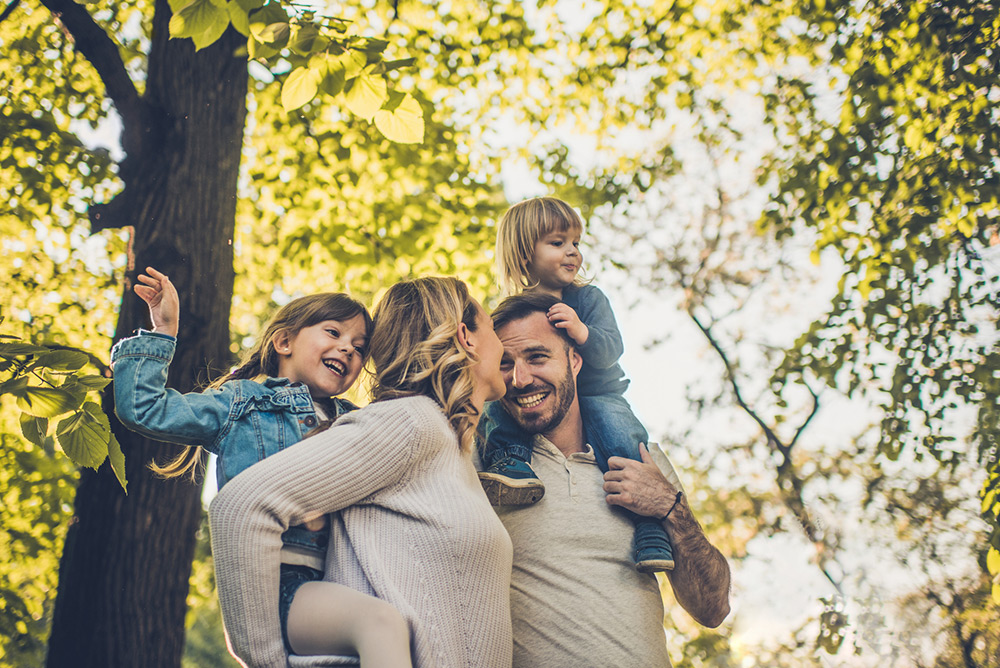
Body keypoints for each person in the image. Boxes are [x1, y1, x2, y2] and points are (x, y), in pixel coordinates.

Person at [111, 267, 415, 667]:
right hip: (279, 585)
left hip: (344, 577)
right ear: (284, 341)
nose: (347, 350)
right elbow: (145, 408)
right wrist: (164, 331)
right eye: (334, 333)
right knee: (380, 624)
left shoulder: (355, 420)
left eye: (359, 348)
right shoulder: (241, 403)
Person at [208, 277, 514, 668]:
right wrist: (267, 660)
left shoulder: (450, 446)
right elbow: (240, 506)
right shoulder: (410, 423)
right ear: (465, 336)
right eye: (492, 328)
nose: (503, 347)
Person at [486, 291, 731, 667]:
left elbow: (712, 607)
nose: (520, 379)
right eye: (505, 363)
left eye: (537, 357)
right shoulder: (484, 464)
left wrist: (669, 508)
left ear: (575, 359)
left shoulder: (642, 460)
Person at [478, 196, 675, 573]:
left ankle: (649, 527)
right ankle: (510, 463)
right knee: (495, 407)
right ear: (523, 255)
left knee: (621, 435)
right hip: (541, 402)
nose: (572, 252)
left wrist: (581, 332)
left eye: (576, 243)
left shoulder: (587, 299)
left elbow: (612, 348)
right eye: (557, 243)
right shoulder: (512, 312)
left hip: (598, 393)